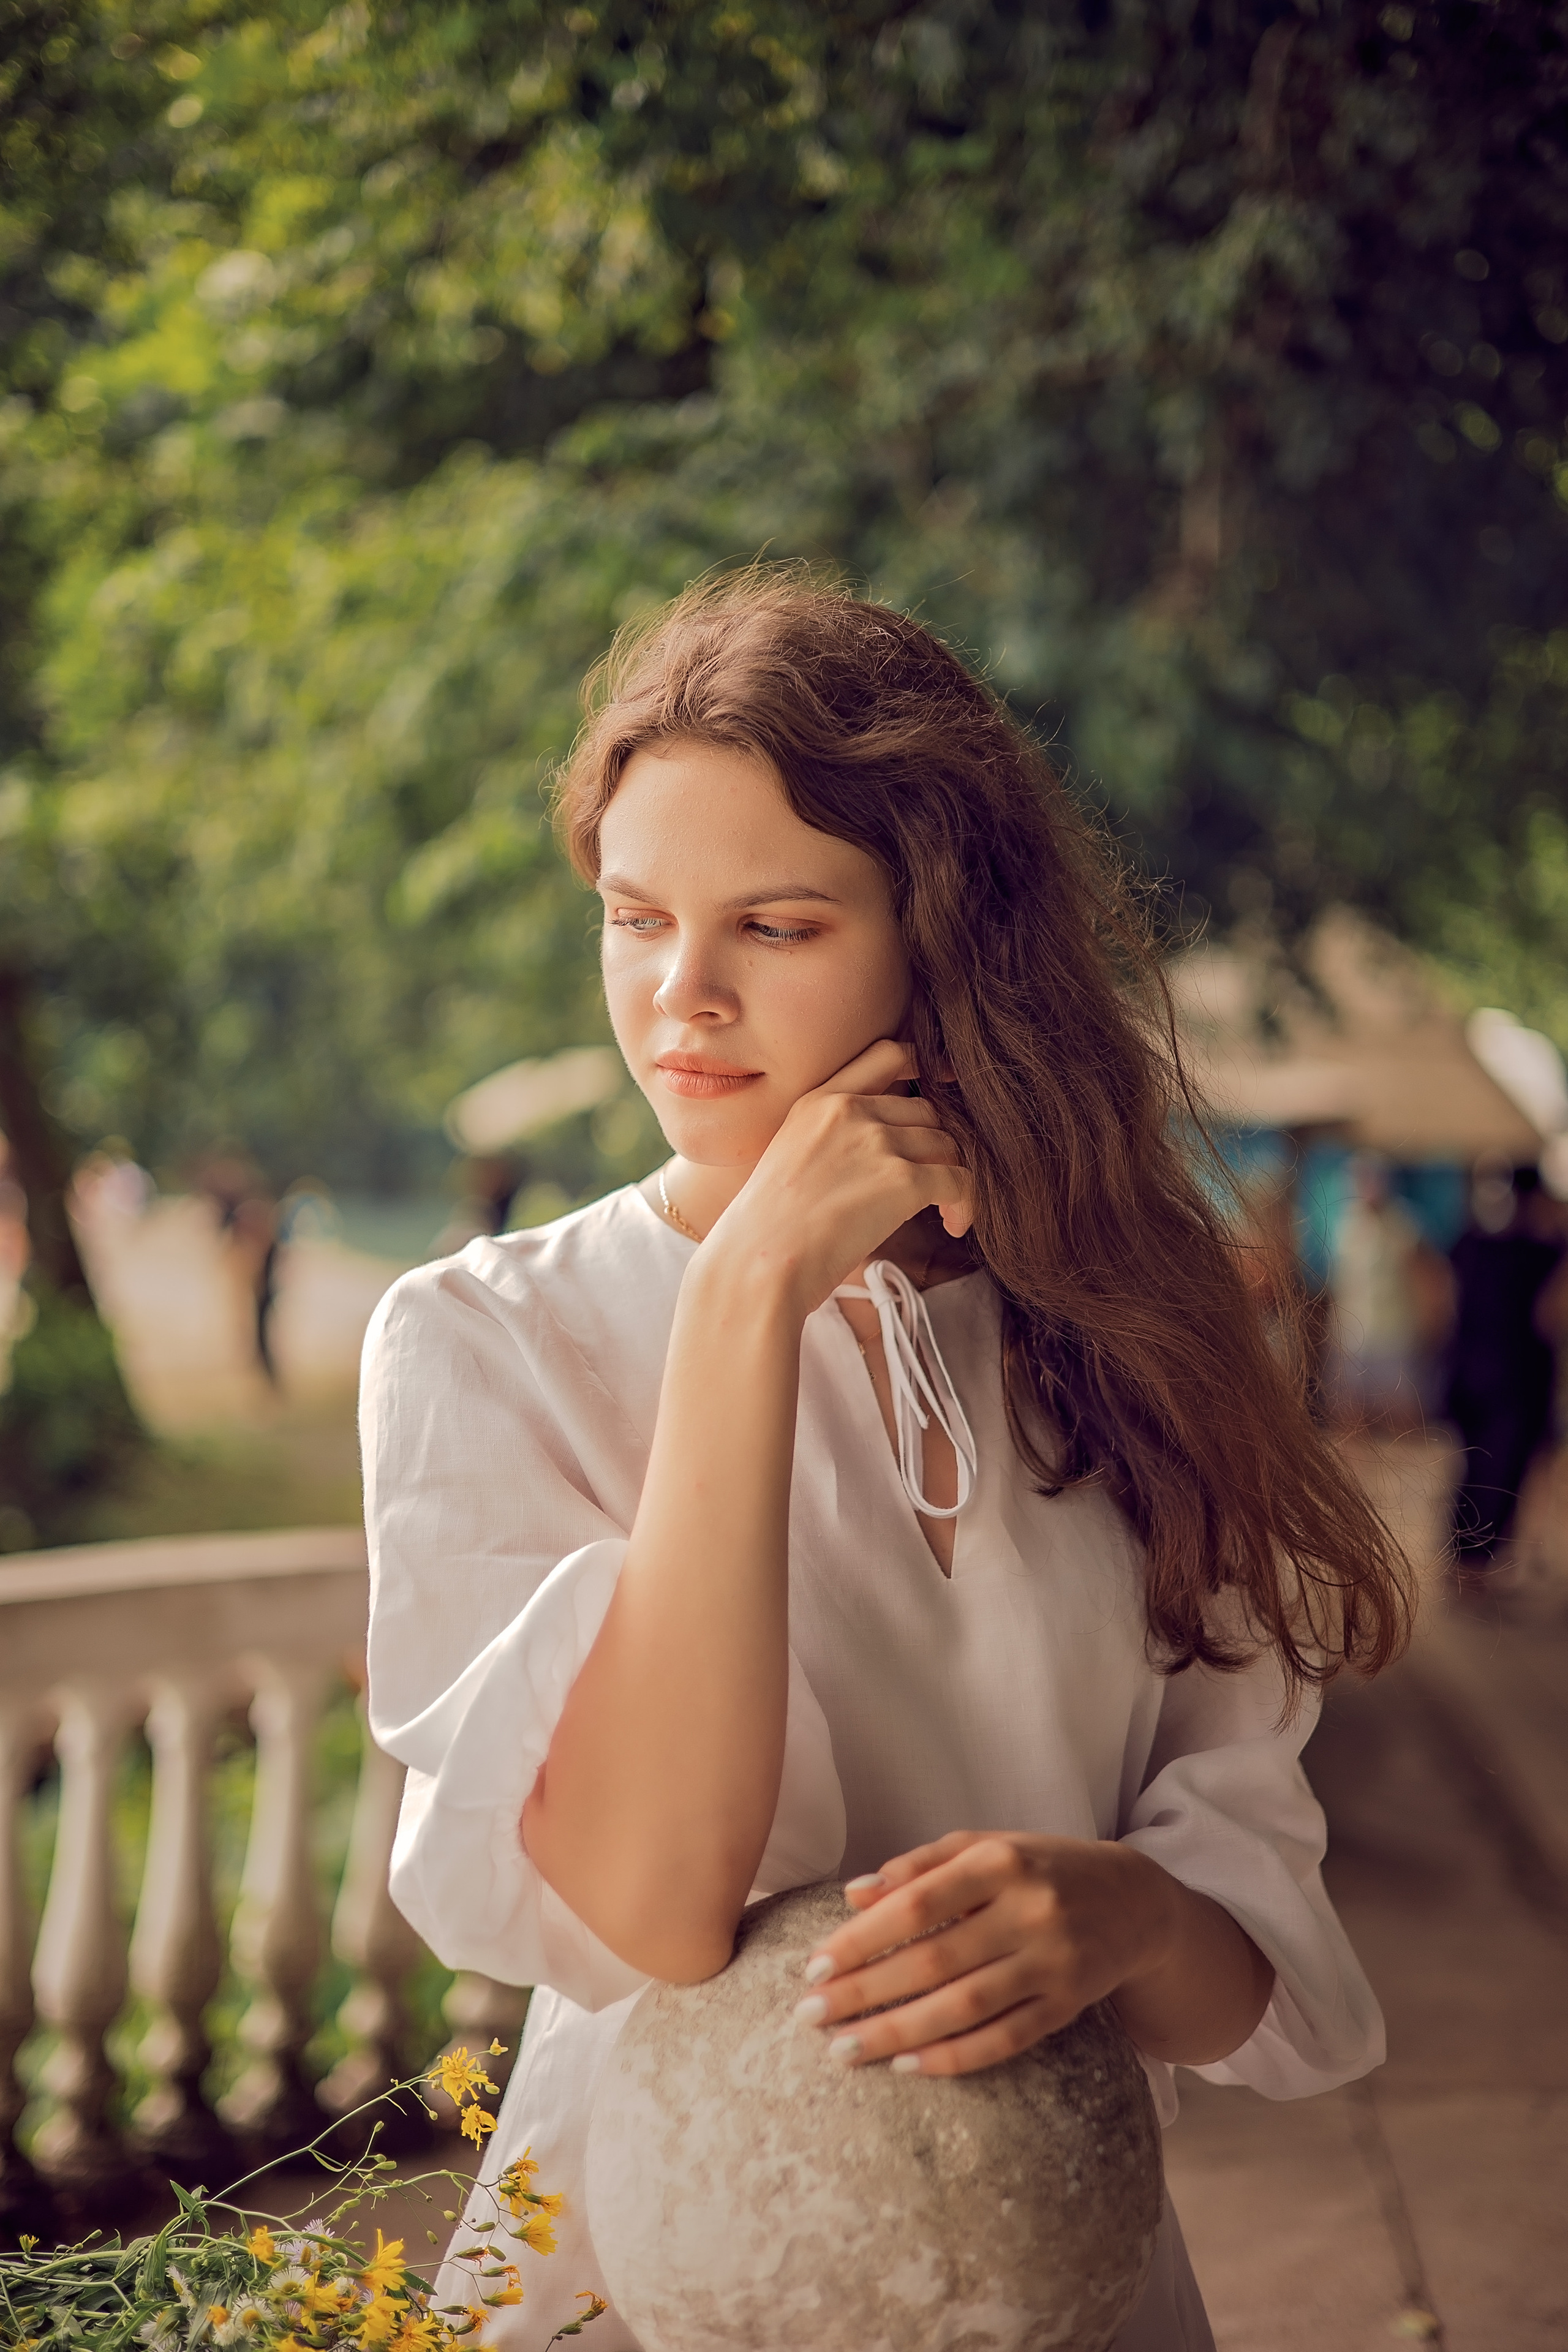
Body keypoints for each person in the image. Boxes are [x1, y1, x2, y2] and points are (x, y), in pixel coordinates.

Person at [361, 574, 1410, 2351]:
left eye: (772, 926)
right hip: (648, 2284)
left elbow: (1269, 1986)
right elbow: (655, 1907)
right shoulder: (484, 1342)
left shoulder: (1136, 1335)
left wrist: (1130, 1920)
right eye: (635, 920)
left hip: (1058, 2280)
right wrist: (749, 1291)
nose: (679, 999)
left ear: (945, 943)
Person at [1446, 1164, 1567, 1565]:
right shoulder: (1544, 1256)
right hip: (1515, 1385)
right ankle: (1474, 1566)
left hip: (1469, 1376)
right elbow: (1549, 1317)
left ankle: (1467, 1563)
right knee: (1497, 1476)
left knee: (1477, 1471)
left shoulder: (1471, 1246)